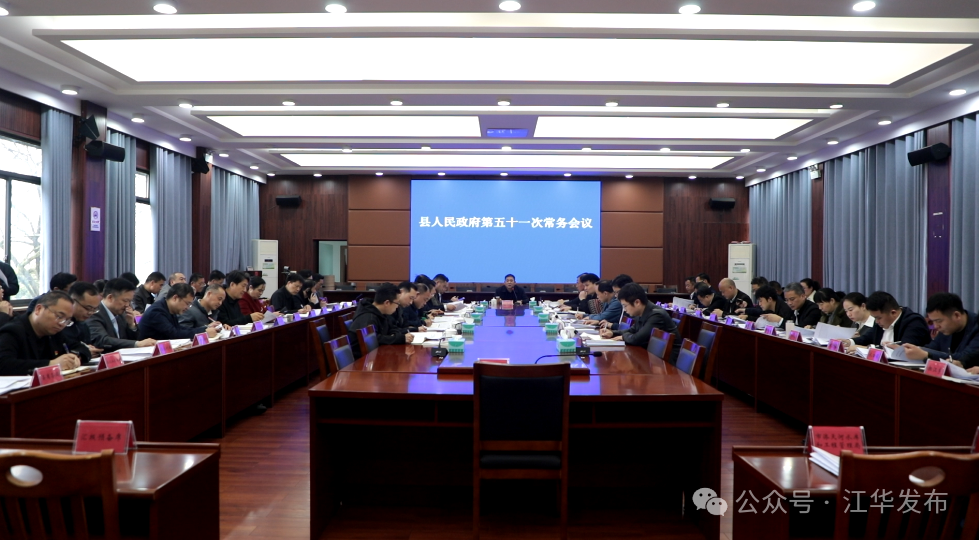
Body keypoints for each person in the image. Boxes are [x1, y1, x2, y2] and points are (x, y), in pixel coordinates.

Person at [0, 291, 82, 376]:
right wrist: (51, 364)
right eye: (59, 316)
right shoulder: (13, 330)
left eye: (67, 320)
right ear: (38, 309)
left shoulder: (55, 333)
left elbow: (79, 347)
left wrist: (73, 357)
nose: (62, 324)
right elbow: (3, 364)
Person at [599, 283, 680, 362]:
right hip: (652, 358)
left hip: (667, 363)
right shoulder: (642, 311)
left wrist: (623, 337)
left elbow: (638, 339)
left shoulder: (656, 315)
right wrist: (613, 333)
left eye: (625, 306)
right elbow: (632, 330)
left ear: (637, 302)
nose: (624, 310)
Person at [900, 293, 979, 369]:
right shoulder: (946, 328)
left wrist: (927, 355)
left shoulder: (976, 326)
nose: (935, 326)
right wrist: (906, 349)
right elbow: (932, 348)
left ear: (957, 315)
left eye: (939, 321)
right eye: (933, 321)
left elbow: (966, 358)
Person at [86, 278, 157, 352]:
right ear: (110, 298)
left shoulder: (122, 314)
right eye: (125, 301)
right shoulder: (94, 313)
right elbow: (103, 340)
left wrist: (131, 325)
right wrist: (137, 344)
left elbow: (131, 340)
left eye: (129, 301)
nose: (127, 305)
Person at [846, 291, 931, 350]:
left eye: (879, 318)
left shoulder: (914, 322)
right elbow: (867, 338)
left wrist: (868, 348)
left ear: (893, 313)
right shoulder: (880, 322)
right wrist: (849, 342)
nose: (876, 321)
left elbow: (904, 348)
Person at [348, 283, 413, 357]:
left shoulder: (382, 313)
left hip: (376, 354)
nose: (397, 306)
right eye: (397, 303)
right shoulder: (368, 317)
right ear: (387, 303)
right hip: (363, 359)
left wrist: (394, 335)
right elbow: (373, 340)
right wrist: (399, 338)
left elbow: (392, 328)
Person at [138, 284, 219, 341]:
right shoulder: (156, 311)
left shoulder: (169, 308)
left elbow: (179, 328)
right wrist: (204, 332)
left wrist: (205, 328)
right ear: (175, 298)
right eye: (187, 303)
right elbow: (174, 334)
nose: (188, 307)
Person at [61, 282, 103, 363]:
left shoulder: (83, 324)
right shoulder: (59, 324)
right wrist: (84, 352)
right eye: (88, 308)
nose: (91, 313)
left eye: (95, 309)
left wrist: (89, 350)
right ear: (73, 301)